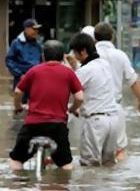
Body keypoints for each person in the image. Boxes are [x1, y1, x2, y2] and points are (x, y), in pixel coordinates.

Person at [9, 40, 84, 171]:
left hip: (33, 126)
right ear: (62, 57)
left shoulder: (33, 71)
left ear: (43, 56)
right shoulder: (68, 73)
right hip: (57, 126)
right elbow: (79, 97)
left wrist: (18, 107)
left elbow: (17, 91)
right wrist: (72, 109)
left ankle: (19, 185)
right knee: (66, 165)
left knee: (16, 160)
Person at [94, 22, 140, 160]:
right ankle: (117, 179)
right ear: (112, 37)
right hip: (115, 109)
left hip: (94, 111)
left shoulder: (90, 56)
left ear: (95, 38)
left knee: (94, 154)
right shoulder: (120, 55)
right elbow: (133, 80)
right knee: (120, 151)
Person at [69, 34, 122, 166]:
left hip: (96, 122)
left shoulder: (86, 70)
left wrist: (73, 109)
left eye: (75, 53)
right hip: (114, 120)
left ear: (83, 52)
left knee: (89, 166)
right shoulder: (105, 64)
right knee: (109, 164)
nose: (74, 56)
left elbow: (74, 92)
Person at [5, 19, 42, 102]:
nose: (36, 31)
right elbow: (9, 60)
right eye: (34, 29)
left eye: (37, 29)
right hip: (21, 78)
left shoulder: (38, 44)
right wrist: (20, 74)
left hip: (36, 79)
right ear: (26, 29)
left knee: (35, 103)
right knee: (20, 105)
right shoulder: (16, 43)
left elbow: (41, 61)